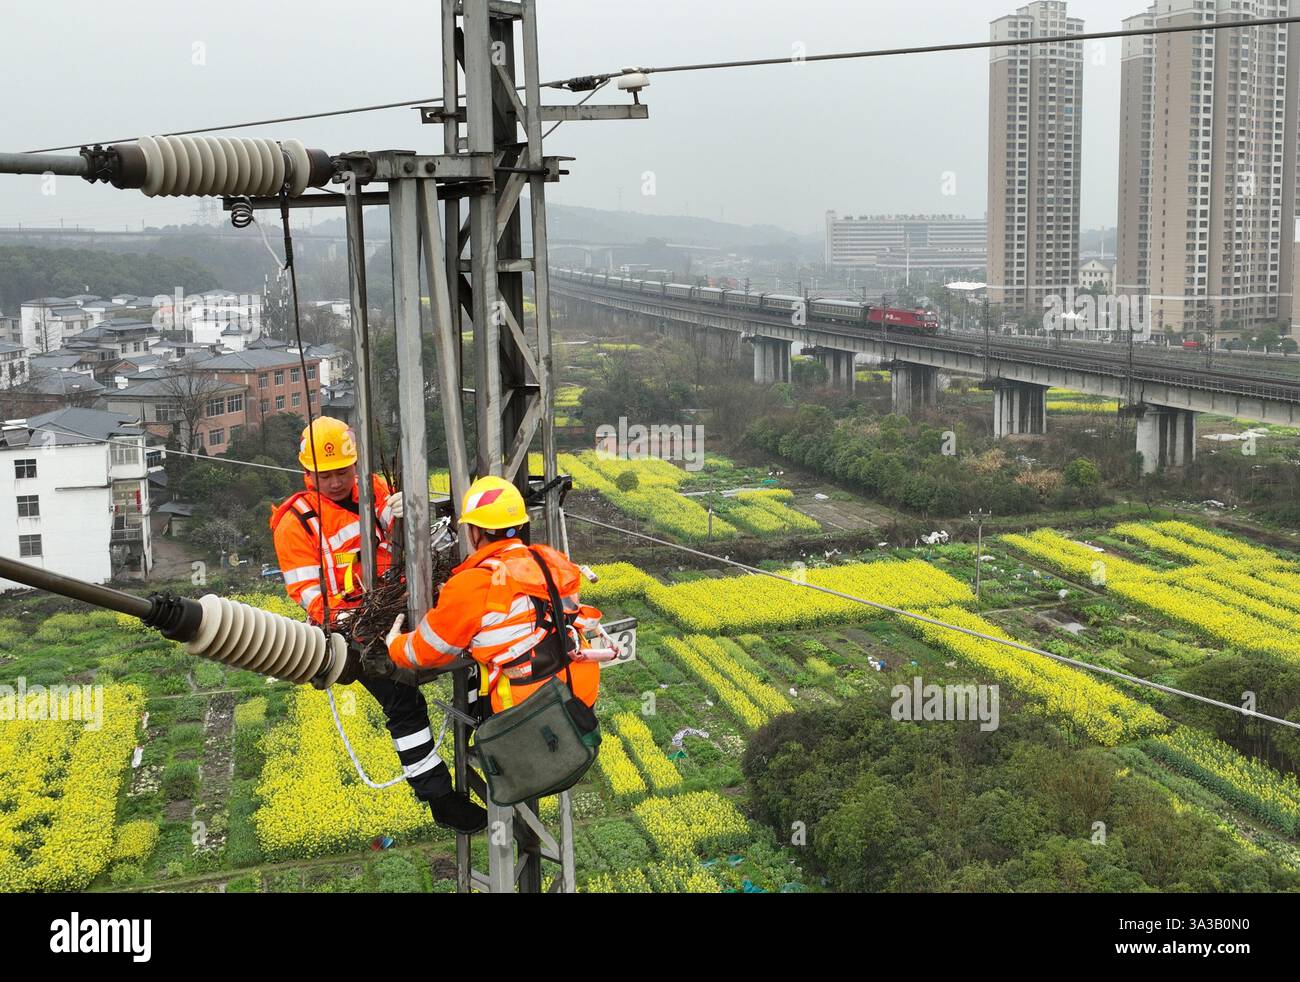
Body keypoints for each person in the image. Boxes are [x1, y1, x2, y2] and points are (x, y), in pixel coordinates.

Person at [271, 417, 486, 833]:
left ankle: (487, 721)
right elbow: (311, 596)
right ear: (308, 473)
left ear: (355, 466)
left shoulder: (375, 490)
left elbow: (398, 544)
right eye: (325, 475)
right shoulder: (296, 523)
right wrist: (354, 626)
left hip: (406, 603)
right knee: (402, 701)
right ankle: (439, 797)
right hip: (356, 627)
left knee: (475, 640)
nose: (335, 482)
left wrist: (398, 518)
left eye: (342, 472)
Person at [384, 476, 603, 719]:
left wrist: (395, 645)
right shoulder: (550, 560)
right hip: (581, 686)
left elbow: (428, 650)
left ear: (474, 530)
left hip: (533, 706)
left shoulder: (471, 584)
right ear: (518, 526)